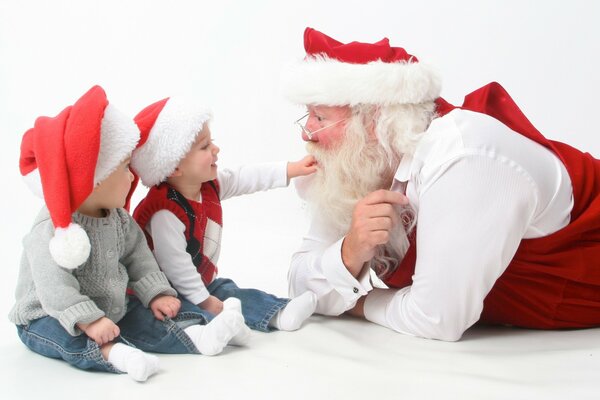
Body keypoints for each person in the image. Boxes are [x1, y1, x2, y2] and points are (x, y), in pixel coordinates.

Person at [283, 27, 600, 341]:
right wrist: (350, 251)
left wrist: (355, 302)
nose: (306, 133)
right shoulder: (361, 165)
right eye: (307, 116)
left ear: (374, 119)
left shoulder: (461, 155)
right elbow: (299, 283)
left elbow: (437, 319)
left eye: (320, 118)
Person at [10, 86, 249, 382]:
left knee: (147, 316)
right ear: (93, 180)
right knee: (63, 335)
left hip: (109, 307)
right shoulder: (53, 231)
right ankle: (115, 355)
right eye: (124, 168)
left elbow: (139, 258)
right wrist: (89, 319)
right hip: (50, 314)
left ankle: (198, 336)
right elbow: (54, 288)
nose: (132, 176)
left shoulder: (119, 219)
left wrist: (157, 293)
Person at [131, 97, 318, 333]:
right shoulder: (165, 211)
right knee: (193, 308)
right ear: (174, 167)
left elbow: (246, 177)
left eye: (212, 142)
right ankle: (215, 327)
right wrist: (204, 300)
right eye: (204, 146)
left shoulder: (208, 185)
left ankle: (279, 314)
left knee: (226, 290)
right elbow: (175, 265)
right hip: (164, 293)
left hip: (197, 283)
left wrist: (291, 169)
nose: (215, 149)